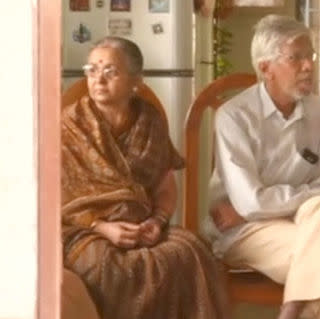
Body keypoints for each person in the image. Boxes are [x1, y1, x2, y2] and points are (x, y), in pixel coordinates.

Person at [206, 15, 320, 319]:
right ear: (265, 68)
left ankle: (290, 311)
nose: (308, 65)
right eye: (296, 58)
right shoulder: (234, 117)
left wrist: (260, 203)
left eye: (311, 56)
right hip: (243, 231)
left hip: (308, 223)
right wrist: (310, 192)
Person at [62, 36, 228, 319]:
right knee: (108, 267)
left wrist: (158, 220)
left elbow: (165, 184)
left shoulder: (149, 119)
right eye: (92, 70)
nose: (98, 80)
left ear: (135, 81)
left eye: (110, 71)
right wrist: (103, 228)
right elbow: (54, 195)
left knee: (190, 253)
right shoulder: (69, 125)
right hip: (84, 229)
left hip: (144, 225)